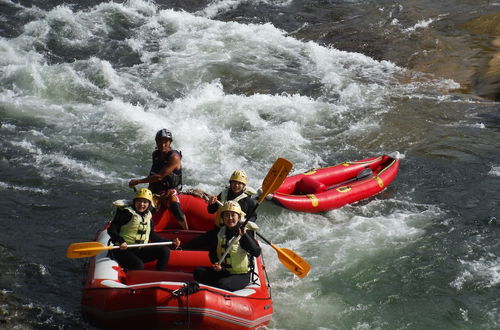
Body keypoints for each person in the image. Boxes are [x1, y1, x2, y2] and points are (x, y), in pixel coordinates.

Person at [188, 201, 261, 291]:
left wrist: (244, 236)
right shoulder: (219, 232)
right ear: (222, 218)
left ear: (238, 217)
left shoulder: (244, 233)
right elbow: (212, 252)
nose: (230, 218)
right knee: (198, 272)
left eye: (233, 215)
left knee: (222, 283)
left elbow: (257, 252)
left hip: (240, 275)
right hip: (223, 271)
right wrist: (215, 263)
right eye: (226, 215)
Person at [108, 188, 180, 271]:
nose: (141, 204)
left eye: (145, 202)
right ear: (134, 202)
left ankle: (160, 275)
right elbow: (111, 229)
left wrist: (170, 242)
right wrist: (120, 241)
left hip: (140, 249)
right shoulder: (126, 213)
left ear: (149, 204)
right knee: (138, 265)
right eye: (139, 201)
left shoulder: (148, 215)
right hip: (123, 250)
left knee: (164, 251)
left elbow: (151, 235)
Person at [128, 129, 188, 230]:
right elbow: (153, 173)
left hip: (171, 190)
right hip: (157, 190)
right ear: (156, 142)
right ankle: (140, 230)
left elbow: (159, 176)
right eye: (160, 141)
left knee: (175, 209)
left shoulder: (174, 157)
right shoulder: (155, 154)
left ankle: (186, 231)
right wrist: (148, 193)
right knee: (144, 209)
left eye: (166, 142)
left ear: (170, 143)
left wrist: (138, 181)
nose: (163, 144)